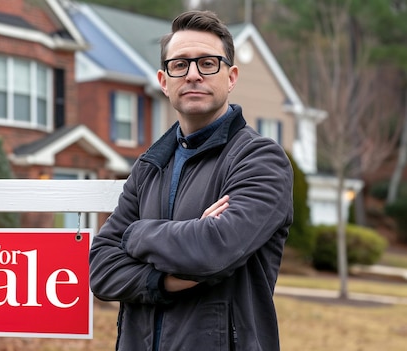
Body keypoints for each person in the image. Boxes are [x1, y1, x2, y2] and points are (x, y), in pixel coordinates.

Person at [89, 10, 294, 351]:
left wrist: (136, 234)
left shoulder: (259, 159)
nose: (194, 74)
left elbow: (213, 250)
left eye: (208, 63)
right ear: (163, 80)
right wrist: (164, 280)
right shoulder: (149, 166)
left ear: (231, 77)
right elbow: (101, 268)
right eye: (180, 65)